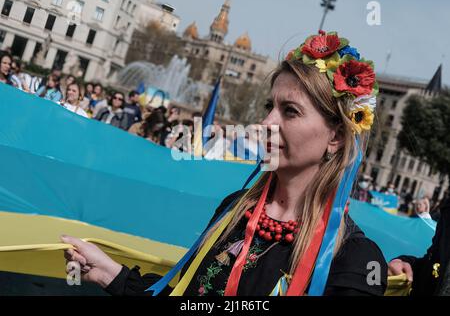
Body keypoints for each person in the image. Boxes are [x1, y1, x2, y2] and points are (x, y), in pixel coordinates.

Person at [62, 31, 387, 296]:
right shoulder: (234, 211)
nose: (266, 122)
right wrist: (111, 274)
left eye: (290, 111)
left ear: (336, 138)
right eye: (269, 106)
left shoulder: (353, 260)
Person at [388, 195, 450, 295]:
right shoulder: (446, 212)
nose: (418, 207)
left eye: (420, 205)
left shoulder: (432, 220)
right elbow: (431, 265)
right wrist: (404, 262)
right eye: (417, 204)